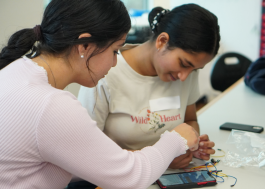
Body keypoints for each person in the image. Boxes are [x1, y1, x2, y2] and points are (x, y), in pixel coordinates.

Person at [0, 0, 200, 189]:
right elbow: (131, 178)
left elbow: (76, 160)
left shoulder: (17, 68)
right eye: (115, 50)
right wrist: (176, 140)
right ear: (85, 45)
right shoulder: (52, 106)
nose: (115, 62)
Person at [78, 3, 221, 170]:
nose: (185, 77)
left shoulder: (186, 74)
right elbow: (87, 150)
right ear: (162, 41)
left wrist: (192, 144)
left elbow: (190, 120)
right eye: (183, 63)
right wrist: (162, 157)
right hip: (114, 175)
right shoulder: (106, 73)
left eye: (195, 69)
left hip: (166, 175)